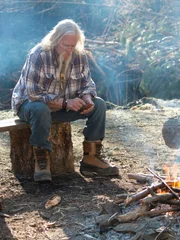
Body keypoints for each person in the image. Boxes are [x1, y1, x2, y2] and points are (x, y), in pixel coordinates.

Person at [11, 19, 119, 182]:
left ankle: (91, 157)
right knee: (40, 109)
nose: (69, 50)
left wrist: (87, 97)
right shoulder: (38, 54)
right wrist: (65, 103)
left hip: (61, 108)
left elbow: (87, 84)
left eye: (72, 46)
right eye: (65, 45)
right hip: (30, 107)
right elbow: (34, 93)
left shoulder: (79, 55)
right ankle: (41, 160)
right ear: (55, 41)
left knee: (99, 105)